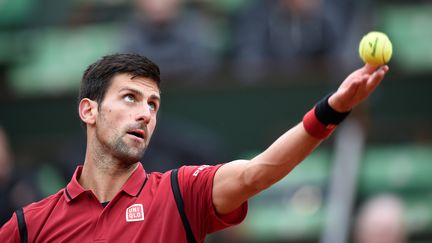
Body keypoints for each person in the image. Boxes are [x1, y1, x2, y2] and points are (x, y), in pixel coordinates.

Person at [0, 53, 389, 242]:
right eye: (130, 98)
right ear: (89, 110)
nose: (145, 113)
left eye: (153, 104)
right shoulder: (31, 225)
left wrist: (332, 109)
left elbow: (259, 171)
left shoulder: (179, 193)